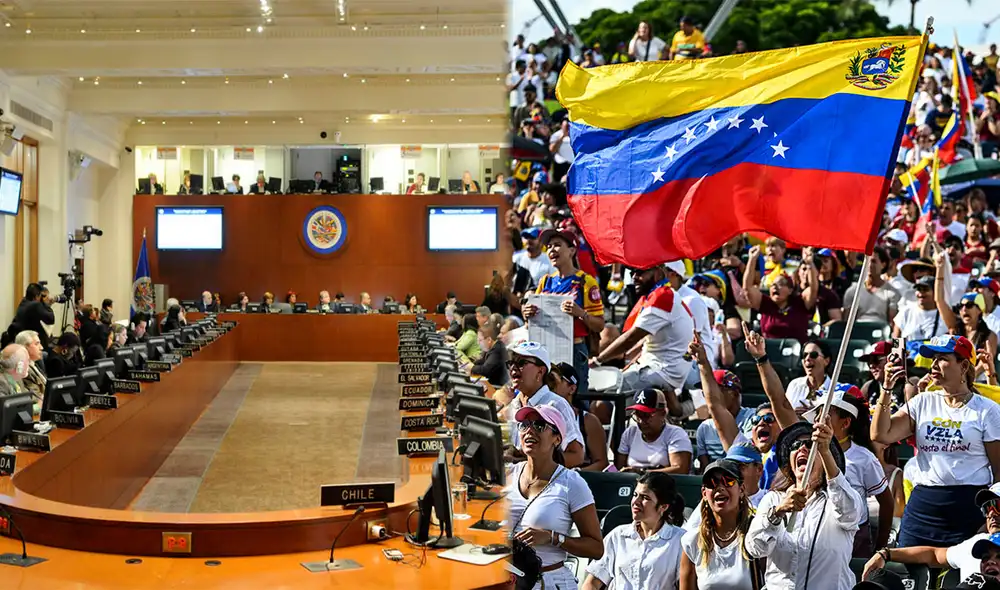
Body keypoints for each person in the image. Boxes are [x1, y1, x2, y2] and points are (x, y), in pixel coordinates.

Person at [873, 334, 1000, 549]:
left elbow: (999, 471)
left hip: (968, 507)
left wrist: (993, 514)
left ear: (963, 366)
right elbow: (881, 434)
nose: (934, 365)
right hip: (923, 507)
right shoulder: (922, 402)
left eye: (942, 359)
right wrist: (886, 389)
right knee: (909, 568)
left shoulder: (987, 410)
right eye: (933, 359)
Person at [746, 420, 864, 589]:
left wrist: (825, 450)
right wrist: (777, 512)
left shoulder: (841, 499)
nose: (802, 448)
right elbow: (755, 548)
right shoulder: (773, 500)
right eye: (795, 445)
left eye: (810, 445)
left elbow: (850, 513)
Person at [507, 404, 603, 590]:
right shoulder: (507, 475)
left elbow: (596, 548)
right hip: (507, 580)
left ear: (557, 439)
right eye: (524, 425)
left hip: (549, 581)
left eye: (539, 425)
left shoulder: (572, 483)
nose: (529, 431)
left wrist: (553, 538)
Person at [802, 386, 894, 558]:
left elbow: (887, 503)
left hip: (853, 540)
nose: (818, 420)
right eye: (818, 414)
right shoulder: (806, 452)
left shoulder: (864, 459)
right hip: (814, 536)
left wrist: (880, 548)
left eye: (826, 414)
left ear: (845, 423)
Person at [593, 263, 694, 414]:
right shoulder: (661, 294)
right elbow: (644, 342)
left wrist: (597, 360)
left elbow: (630, 338)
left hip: (661, 370)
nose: (634, 277)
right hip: (660, 366)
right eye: (633, 272)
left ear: (658, 273)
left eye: (640, 272)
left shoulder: (663, 296)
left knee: (600, 407)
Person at [862, 482, 1000, 581]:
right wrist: (884, 554)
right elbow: (933, 555)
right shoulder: (974, 543)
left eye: (998, 506)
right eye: (988, 507)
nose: (992, 514)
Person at [524, 229, 605, 398]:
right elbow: (531, 322)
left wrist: (580, 313)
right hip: (546, 349)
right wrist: (528, 314)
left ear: (572, 250)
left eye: (557, 245)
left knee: (576, 400)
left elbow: (599, 325)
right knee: (545, 398)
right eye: (549, 246)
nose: (552, 250)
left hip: (575, 350)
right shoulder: (545, 281)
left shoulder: (586, 281)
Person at [583, 472, 687, 590]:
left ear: (663, 507)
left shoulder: (680, 541)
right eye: (635, 495)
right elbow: (592, 582)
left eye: (645, 498)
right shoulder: (618, 535)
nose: (635, 502)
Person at [680, 460, 764, 589]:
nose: (720, 487)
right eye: (712, 483)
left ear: (741, 489)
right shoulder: (692, 541)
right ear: (704, 494)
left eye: (728, 481)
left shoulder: (758, 533)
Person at [505, 341, 586, 469]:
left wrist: (529, 461)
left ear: (540, 372)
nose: (513, 368)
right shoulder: (513, 404)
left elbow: (577, 455)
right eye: (511, 363)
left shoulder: (557, 404)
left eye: (521, 363)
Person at [743, 246, 817, 343]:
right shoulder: (765, 304)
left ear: (790, 290)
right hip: (770, 350)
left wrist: (810, 264)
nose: (775, 287)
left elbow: (813, 288)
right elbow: (747, 288)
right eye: (773, 284)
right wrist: (752, 259)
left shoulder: (800, 302)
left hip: (798, 350)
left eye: (781, 284)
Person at [614, 389, 693, 474]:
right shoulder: (630, 433)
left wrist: (641, 472)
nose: (641, 421)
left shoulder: (675, 434)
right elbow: (619, 468)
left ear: (663, 413)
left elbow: (680, 470)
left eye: (646, 415)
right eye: (638, 414)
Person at [550, 363, 608, 472]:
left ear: (572, 389)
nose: (550, 383)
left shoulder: (589, 421)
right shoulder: (538, 415)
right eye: (548, 378)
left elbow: (601, 463)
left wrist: (575, 474)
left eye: (556, 379)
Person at [2, 283, 55, 348]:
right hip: (28, 344)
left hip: (18, 340)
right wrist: (47, 304)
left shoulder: (23, 302)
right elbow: (50, 319)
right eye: (41, 296)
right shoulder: (35, 305)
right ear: (36, 296)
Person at [469, 320, 507, 387]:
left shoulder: (497, 350)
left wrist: (472, 367)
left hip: (496, 387)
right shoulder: (492, 348)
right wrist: (471, 364)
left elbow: (485, 370)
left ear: (489, 340)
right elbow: (484, 361)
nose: (478, 343)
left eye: (480, 340)